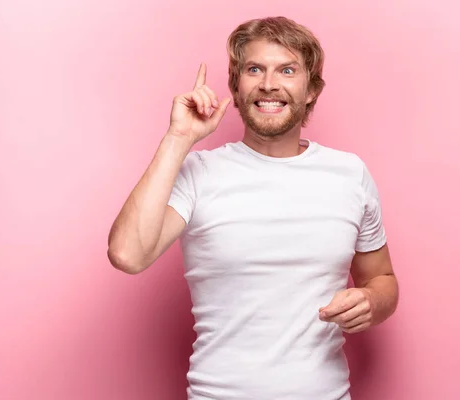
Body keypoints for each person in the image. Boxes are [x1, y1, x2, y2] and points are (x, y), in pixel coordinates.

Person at [107, 16, 399, 400]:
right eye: (254, 69)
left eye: (287, 70)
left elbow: (382, 280)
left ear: (311, 89)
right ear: (237, 85)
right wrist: (179, 138)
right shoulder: (199, 173)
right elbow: (128, 255)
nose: (269, 84)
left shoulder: (350, 173)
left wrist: (371, 302)